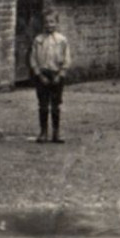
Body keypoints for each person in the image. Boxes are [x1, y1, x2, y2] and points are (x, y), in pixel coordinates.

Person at [29, 9, 72, 144]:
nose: (49, 25)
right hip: (43, 75)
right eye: (46, 22)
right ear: (43, 24)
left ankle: (56, 133)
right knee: (43, 105)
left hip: (56, 74)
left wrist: (61, 74)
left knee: (55, 105)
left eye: (52, 22)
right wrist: (39, 74)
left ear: (57, 23)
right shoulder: (38, 40)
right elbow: (33, 59)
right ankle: (43, 132)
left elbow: (67, 59)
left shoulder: (62, 40)